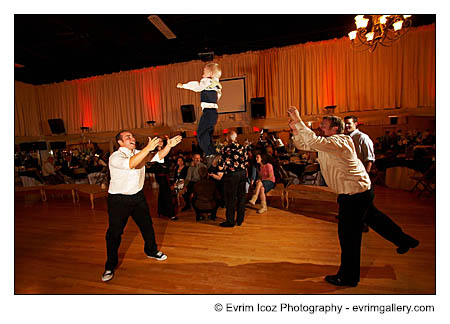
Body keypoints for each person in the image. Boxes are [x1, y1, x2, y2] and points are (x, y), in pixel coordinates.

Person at [288, 106, 419, 287]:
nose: (321, 128)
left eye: (324, 126)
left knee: (349, 236)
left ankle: (348, 278)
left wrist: (298, 119)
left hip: (355, 195)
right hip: (358, 192)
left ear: (335, 129)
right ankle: (405, 241)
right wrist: (295, 129)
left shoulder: (340, 142)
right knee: (375, 218)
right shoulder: (327, 143)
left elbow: (311, 139)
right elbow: (303, 144)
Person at [102, 130, 182, 282]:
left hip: (137, 197)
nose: (132, 138)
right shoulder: (115, 157)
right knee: (114, 234)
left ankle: (151, 250)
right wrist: (147, 148)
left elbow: (157, 157)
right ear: (120, 142)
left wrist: (168, 146)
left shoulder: (140, 152)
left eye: (132, 136)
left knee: (147, 226)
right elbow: (131, 164)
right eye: (127, 137)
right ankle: (109, 266)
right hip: (119, 200)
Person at [177, 63, 222, 165]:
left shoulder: (207, 81)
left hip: (208, 112)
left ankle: (210, 153)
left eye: (204, 72)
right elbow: (218, 96)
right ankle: (212, 153)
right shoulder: (217, 84)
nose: (202, 75)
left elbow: (197, 86)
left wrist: (183, 85)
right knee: (208, 133)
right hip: (214, 112)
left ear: (210, 73)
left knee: (201, 134)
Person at [344, 115, 375, 232]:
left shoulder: (363, 138)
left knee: (362, 203)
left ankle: (364, 224)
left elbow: (369, 158)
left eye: (349, 123)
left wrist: (365, 175)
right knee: (351, 200)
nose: (347, 126)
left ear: (356, 124)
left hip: (361, 175)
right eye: (345, 124)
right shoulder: (346, 138)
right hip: (349, 174)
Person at [218, 130, 248, 227]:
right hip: (242, 173)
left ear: (228, 138)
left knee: (230, 198)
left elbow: (221, 165)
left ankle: (230, 221)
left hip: (232, 175)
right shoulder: (242, 147)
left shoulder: (226, 149)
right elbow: (246, 161)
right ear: (235, 137)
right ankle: (240, 220)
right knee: (241, 197)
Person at [153, 139, 178, 221]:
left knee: (164, 193)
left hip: (164, 175)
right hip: (160, 176)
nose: (160, 142)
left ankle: (163, 211)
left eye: (161, 141)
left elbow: (168, 163)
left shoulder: (166, 150)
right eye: (158, 141)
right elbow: (155, 165)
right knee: (166, 194)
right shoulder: (154, 151)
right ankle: (170, 214)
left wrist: (165, 165)